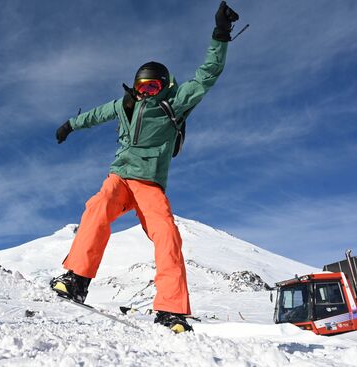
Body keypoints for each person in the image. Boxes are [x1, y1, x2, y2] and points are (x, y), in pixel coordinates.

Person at [50, 1, 239, 333]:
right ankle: (77, 279)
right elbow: (95, 114)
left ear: (164, 87)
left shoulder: (173, 103)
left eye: (153, 87)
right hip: (121, 176)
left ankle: (171, 310)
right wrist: (70, 124)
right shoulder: (125, 105)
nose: (146, 93)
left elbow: (207, 75)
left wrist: (220, 34)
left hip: (149, 183)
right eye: (142, 87)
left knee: (167, 234)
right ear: (134, 87)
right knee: (98, 207)